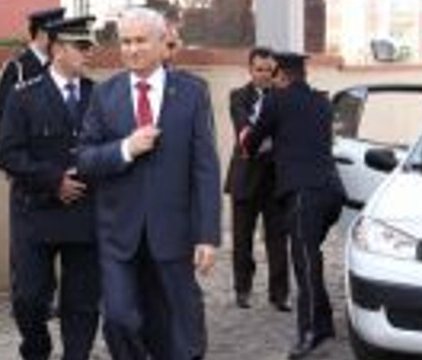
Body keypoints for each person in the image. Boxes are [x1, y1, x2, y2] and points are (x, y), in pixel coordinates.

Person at [77, 7, 221, 360]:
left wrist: (207, 234)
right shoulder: (105, 95)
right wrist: (126, 148)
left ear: (161, 43)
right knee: (119, 318)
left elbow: (205, 168)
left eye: (140, 40)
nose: (132, 49)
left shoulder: (191, 92)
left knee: (176, 325)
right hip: (118, 234)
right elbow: (85, 159)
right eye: (126, 41)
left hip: (172, 230)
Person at [0, 16, 100, 360]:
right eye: (82, 47)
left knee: (82, 301)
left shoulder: (98, 96)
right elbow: (7, 154)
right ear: (57, 49)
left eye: (90, 46)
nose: (90, 53)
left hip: (84, 213)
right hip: (35, 212)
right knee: (29, 298)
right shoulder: (24, 96)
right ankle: (36, 348)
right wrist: (54, 181)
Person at [239, 52, 345, 359]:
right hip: (332, 192)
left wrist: (248, 137)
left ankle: (310, 332)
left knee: (305, 261)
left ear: (282, 76)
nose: (272, 80)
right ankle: (323, 322)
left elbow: (252, 142)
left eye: (274, 75)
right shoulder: (323, 102)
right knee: (312, 255)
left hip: (303, 194)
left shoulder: (275, 100)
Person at [223, 47, 290, 311]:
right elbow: (244, 130)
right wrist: (264, 139)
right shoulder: (238, 96)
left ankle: (280, 295)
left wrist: (265, 139)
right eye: (259, 70)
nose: (264, 75)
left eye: (269, 70)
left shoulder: (284, 97)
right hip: (245, 178)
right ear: (250, 70)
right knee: (242, 239)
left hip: (276, 179)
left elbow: (284, 134)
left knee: (277, 240)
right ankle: (243, 290)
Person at [0, 7, 66, 156]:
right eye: (58, 34)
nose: (61, 40)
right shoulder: (17, 68)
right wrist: (5, 157)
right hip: (27, 162)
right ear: (41, 33)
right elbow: (2, 117)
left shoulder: (59, 65)